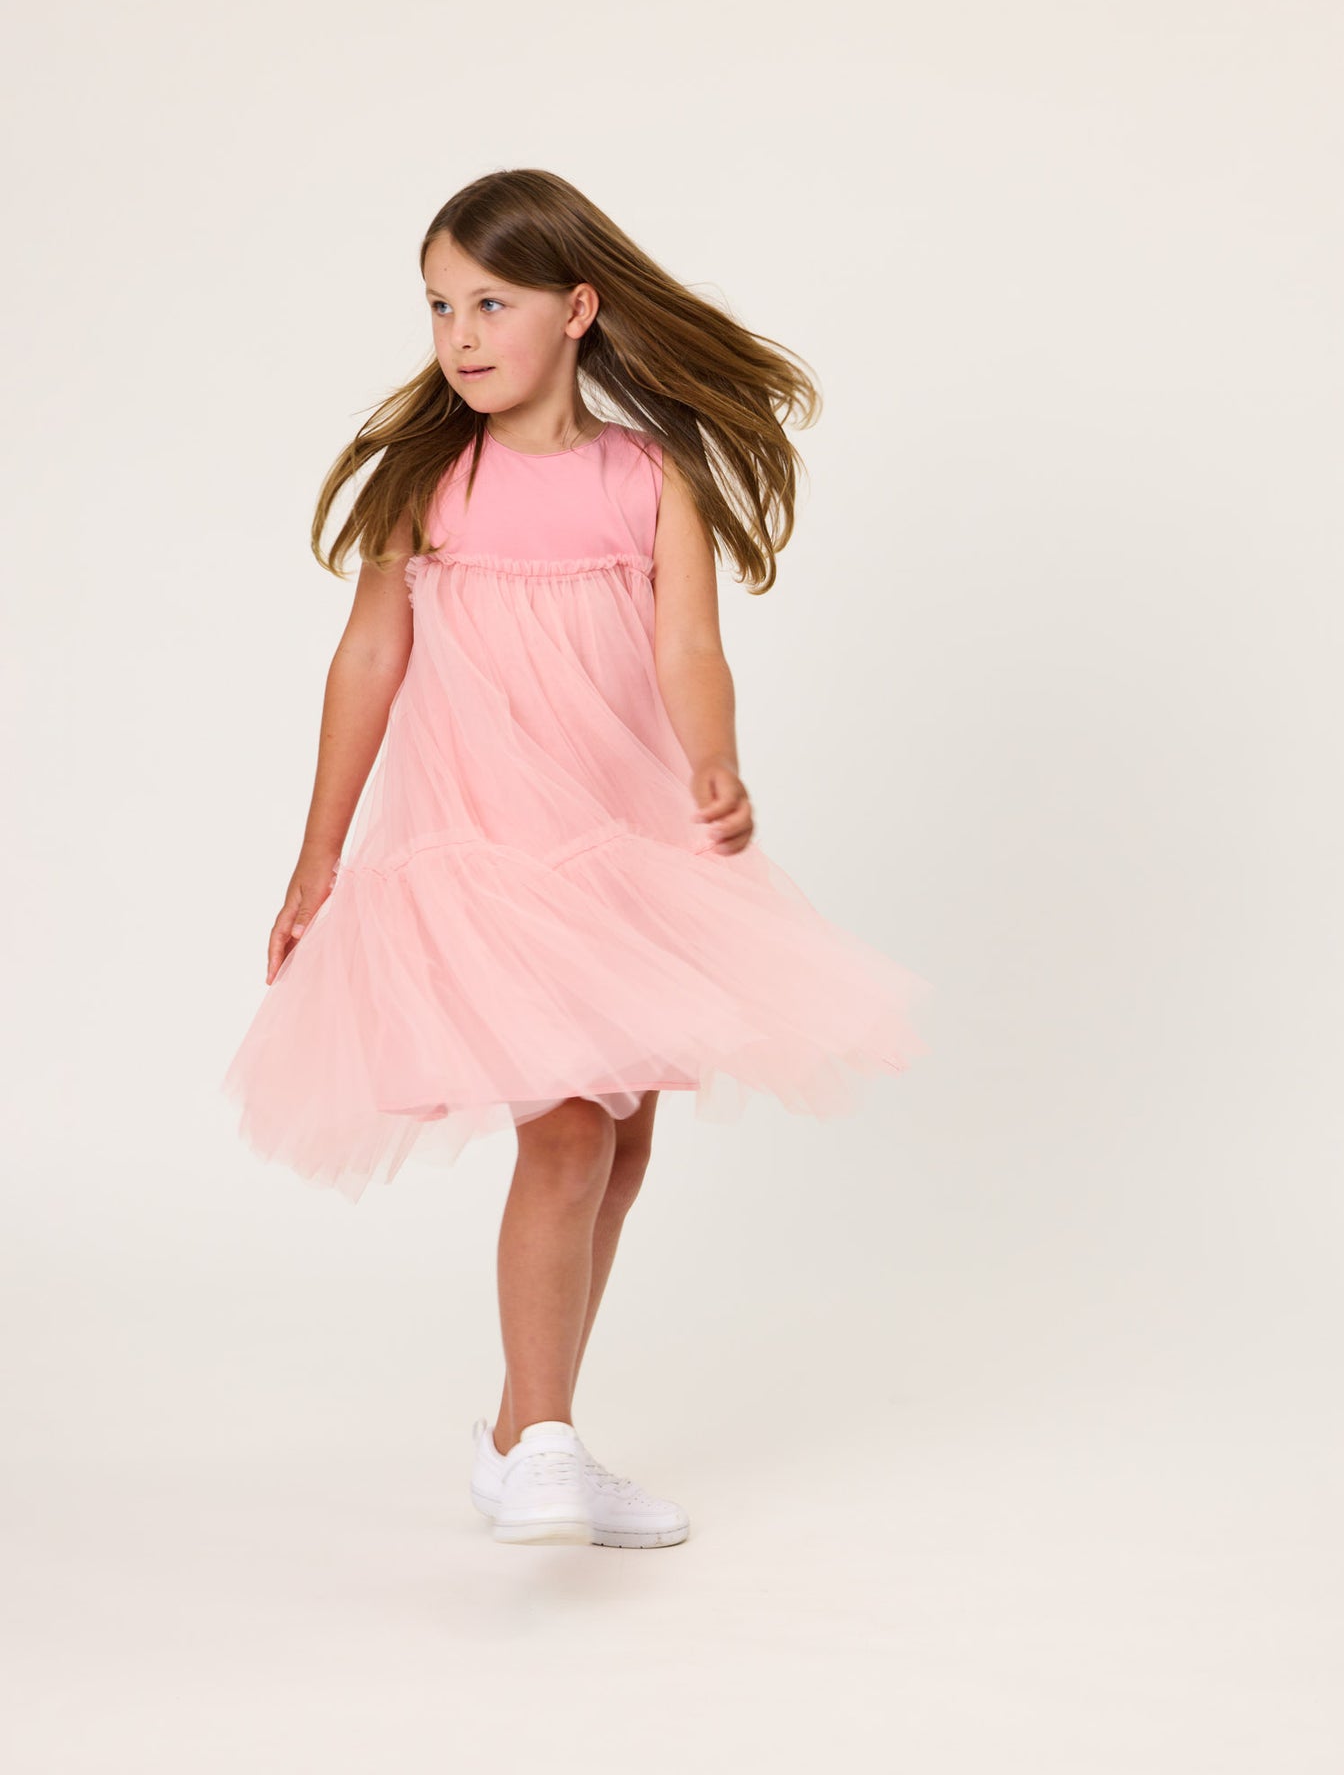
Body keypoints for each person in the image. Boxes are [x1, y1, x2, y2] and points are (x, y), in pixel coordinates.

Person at [222, 168, 934, 1549]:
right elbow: (368, 658)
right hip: (483, 849)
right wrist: (318, 854)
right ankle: (547, 1442)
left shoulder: (647, 480)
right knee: (564, 1126)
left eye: (493, 302)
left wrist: (714, 760)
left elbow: (690, 647)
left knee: (621, 1137)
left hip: (618, 844)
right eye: (440, 307)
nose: (461, 334)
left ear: (579, 310)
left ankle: (516, 1436)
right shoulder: (430, 483)